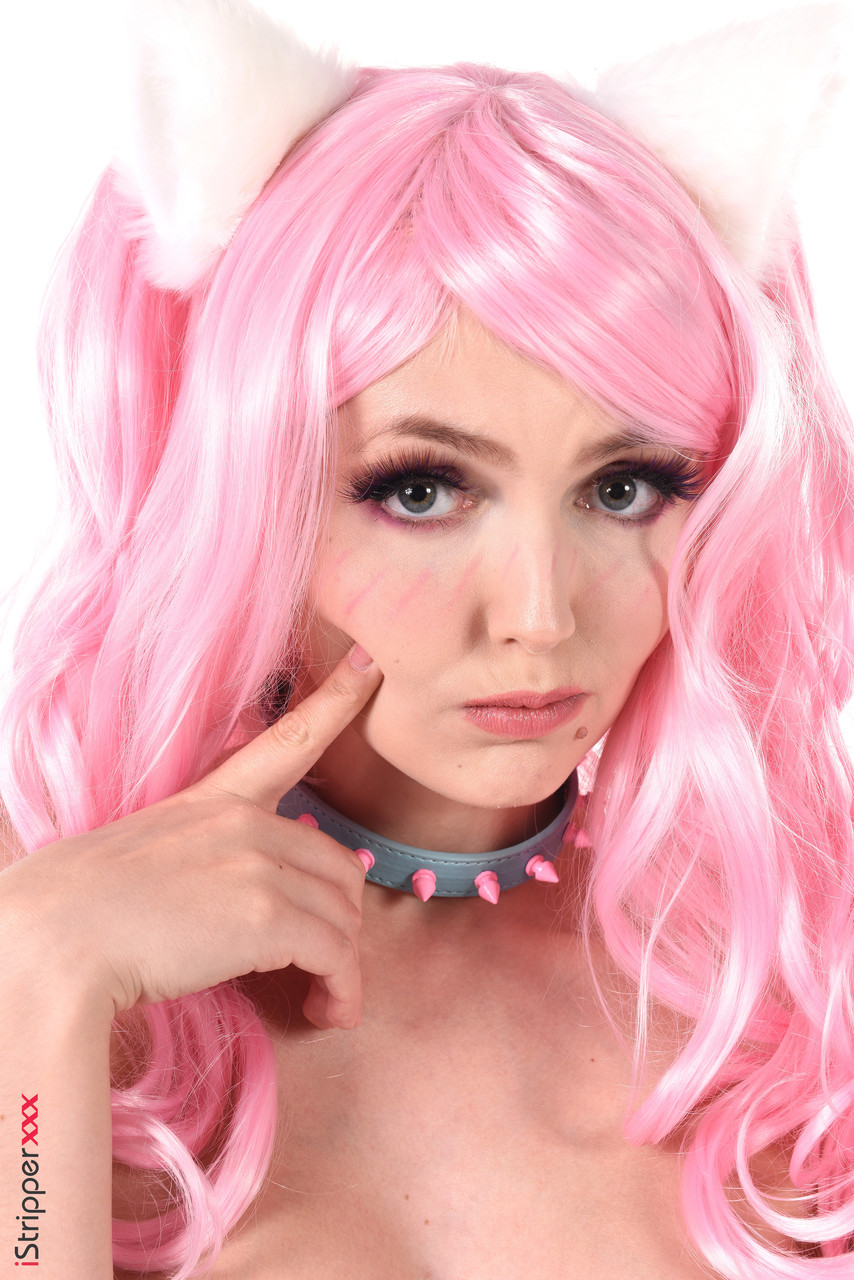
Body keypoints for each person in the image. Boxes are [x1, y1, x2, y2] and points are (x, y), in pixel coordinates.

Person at [0, 1, 852, 1276]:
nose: (539, 615)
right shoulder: (36, 913)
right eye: (419, 488)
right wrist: (39, 991)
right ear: (247, 489)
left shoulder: (792, 975)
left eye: (622, 487)